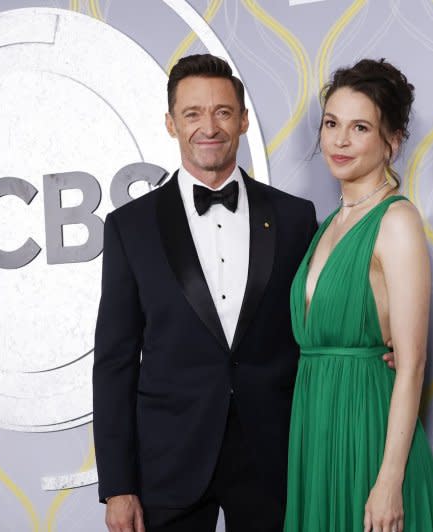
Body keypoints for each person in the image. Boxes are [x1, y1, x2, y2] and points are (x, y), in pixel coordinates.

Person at [93, 54, 318, 532]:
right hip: (168, 463)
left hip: (272, 458)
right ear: (171, 124)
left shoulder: (296, 218)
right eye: (192, 113)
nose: (209, 127)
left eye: (222, 111)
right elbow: (113, 362)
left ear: (243, 119)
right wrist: (118, 485)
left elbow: (313, 325)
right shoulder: (129, 228)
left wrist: (378, 345)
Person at [283, 58, 433, 532]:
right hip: (316, 430)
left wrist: (389, 480)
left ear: (391, 141)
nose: (339, 140)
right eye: (332, 124)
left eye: (359, 127)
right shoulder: (328, 226)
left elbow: (412, 362)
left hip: (368, 431)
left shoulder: (396, 222)